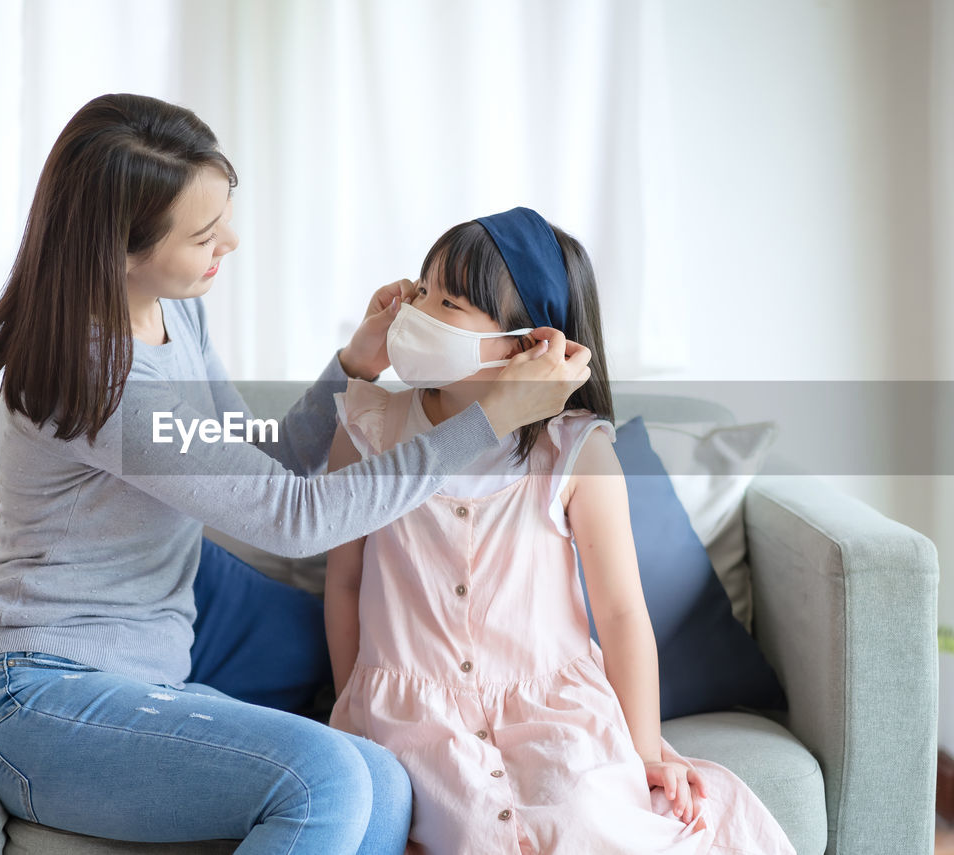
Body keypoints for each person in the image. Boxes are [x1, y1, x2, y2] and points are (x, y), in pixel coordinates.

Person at [0, 94, 592, 854]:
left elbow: (267, 462)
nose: (232, 240)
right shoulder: (96, 382)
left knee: (383, 779)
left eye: (224, 215)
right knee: (328, 777)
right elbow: (294, 519)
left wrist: (353, 367)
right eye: (203, 234)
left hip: (137, 683)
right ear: (118, 249)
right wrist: (487, 420)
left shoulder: (171, 310)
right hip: (34, 696)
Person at [324, 208, 797, 855]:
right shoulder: (366, 429)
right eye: (422, 290)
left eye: (450, 302)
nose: (419, 312)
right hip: (412, 713)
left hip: (553, 712)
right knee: (463, 829)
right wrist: (353, 705)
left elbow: (623, 612)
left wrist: (642, 749)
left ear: (528, 344)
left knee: (587, 816)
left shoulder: (572, 449)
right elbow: (344, 581)